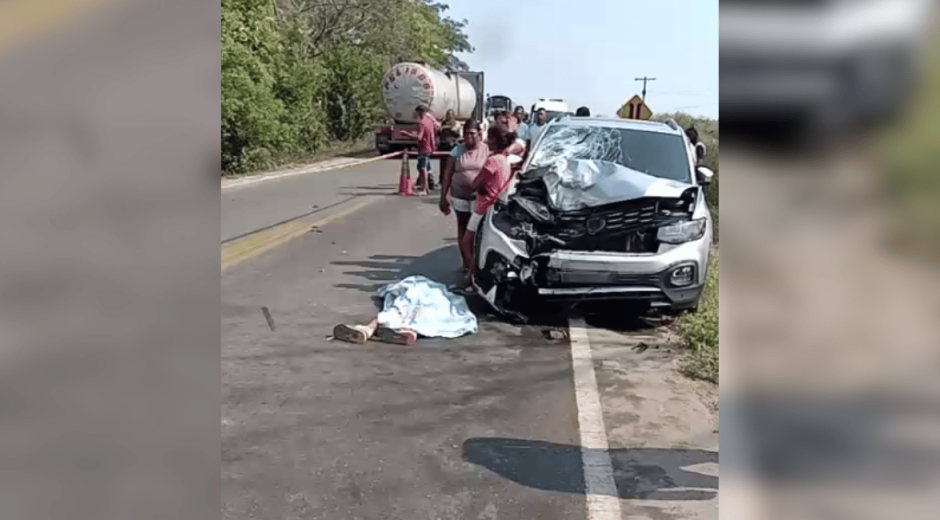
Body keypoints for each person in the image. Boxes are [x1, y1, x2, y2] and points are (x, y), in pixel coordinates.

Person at [458, 123, 517, 291]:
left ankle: (471, 276)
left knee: (467, 241)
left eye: (489, 137)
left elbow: (476, 183)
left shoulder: (492, 160)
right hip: (495, 206)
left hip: (483, 207)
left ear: (494, 140)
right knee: (479, 244)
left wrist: (478, 186)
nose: (486, 141)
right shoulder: (504, 160)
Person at [439, 120, 489, 273]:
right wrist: (443, 197)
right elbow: (447, 174)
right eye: (466, 134)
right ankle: (466, 263)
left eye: (472, 134)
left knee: (478, 230)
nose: (469, 137)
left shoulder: (487, 150)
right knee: (463, 227)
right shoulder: (457, 150)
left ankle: (477, 263)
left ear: (479, 135)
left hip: (479, 198)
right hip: (459, 196)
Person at [403, 105, 439, 196]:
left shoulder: (421, 122)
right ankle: (426, 188)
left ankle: (424, 188)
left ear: (419, 112)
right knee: (425, 168)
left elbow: (419, 137)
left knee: (422, 169)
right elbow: (436, 128)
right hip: (430, 146)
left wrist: (407, 134)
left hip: (423, 147)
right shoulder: (429, 120)